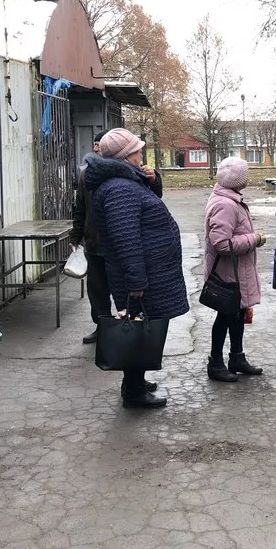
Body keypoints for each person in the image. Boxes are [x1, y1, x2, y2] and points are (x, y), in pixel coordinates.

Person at [86, 128, 188, 409]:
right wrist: (136, 282)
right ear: (126, 155)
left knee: (141, 327)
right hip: (140, 276)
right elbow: (126, 239)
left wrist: (152, 181)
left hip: (145, 272)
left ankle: (136, 381)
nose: (141, 153)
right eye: (137, 150)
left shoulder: (125, 181)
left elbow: (145, 207)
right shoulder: (119, 188)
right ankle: (133, 392)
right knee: (135, 328)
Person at [69, 134, 163, 348]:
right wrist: (76, 237)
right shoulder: (88, 176)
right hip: (95, 243)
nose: (96, 149)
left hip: (120, 247)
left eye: (99, 145)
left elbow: (154, 198)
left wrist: (154, 179)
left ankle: (127, 331)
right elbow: (80, 208)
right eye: (95, 144)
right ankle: (103, 328)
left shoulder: (133, 173)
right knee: (98, 291)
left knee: (127, 292)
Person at [203, 157, 267, 382]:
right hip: (228, 273)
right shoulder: (226, 204)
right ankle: (216, 363)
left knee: (237, 314)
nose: (248, 177)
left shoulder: (229, 197)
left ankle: (236, 358)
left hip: (237, 271)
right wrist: (254, 239)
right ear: (238, 180)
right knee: (225, 316)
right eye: (245, 174)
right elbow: (221, 243)